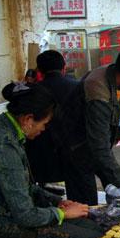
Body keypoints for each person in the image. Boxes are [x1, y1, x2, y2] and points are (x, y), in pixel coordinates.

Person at [0, 82, 102, 238]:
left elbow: (25, 188)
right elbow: (26, 216)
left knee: (94, 227)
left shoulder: (6, 128)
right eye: (44, 123)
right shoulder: (4, 146)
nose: (44, 129)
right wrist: (61, 214)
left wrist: (58, 202)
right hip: (5, 231)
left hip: (14, 215)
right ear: (28, 119)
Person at [58, 44, 120, 205]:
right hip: (76, 147)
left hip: (91, 144)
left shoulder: (116, 75)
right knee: (85, 202)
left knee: (112, 182)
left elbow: (119, 98)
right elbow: (99, 146)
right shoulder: (97, 90)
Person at [25, 50, 78, 184]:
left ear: (40, 71)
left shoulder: (32, 91)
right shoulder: (76, 86)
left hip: (40, 158)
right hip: (73, 153)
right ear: (64, 67)